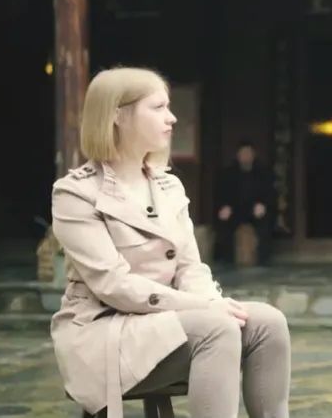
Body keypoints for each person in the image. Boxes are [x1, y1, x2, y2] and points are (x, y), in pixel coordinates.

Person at [50, 67, 291, 418]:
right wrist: (202, 308)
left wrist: (211, 301)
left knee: (268, 322)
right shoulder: (75, 194)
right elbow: (113, 285)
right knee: (217, 327)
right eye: (158, 107)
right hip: (105, 331)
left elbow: (190, 266)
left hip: (167, 321)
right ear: (118, 115)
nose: (172, 117)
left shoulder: (168, 186)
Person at [213, 141, 274, 266]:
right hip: (235, 210)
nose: (246, 156)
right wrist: (224, 207)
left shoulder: (262, 173)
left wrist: (263, 205)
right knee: (224, 226)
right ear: (238, 155)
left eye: (248, 153)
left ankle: (262, 260)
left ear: (253, 155)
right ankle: (227, 260)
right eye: (243, 153)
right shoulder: (228, 173)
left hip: (255, 209)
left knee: (265, 225)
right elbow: (221, 193)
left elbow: (270, 193)